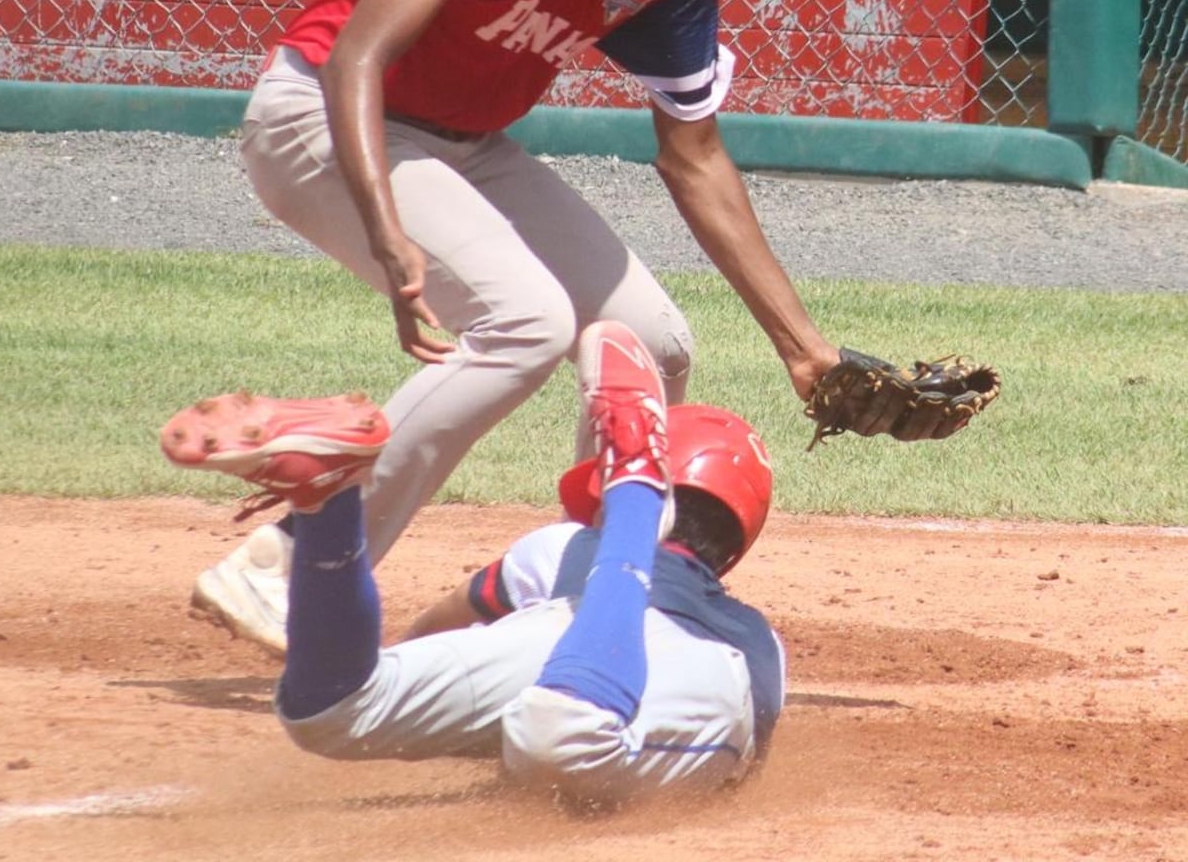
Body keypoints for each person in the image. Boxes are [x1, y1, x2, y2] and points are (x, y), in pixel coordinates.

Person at [192, 0, 838, 654]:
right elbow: (357, 57)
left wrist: (804, 349)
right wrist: (387, 231)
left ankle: (584, 598)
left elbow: (694, 155)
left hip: (462, 144)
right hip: (321, 117)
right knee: (526, 321)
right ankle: (288, 565)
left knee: (651, 343)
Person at [161, 321, 784, 803]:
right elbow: (738, 769)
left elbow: (444, 622)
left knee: (334, 713)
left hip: (564, 629)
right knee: (560, 735)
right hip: (681, 666)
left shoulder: (563, 546)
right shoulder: (758, 642)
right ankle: (638, 499)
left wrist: (414, 691)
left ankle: (330, 507)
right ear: (737, 536)